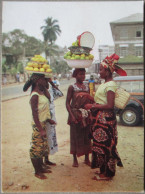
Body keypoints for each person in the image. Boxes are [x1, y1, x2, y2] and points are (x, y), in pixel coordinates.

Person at [85, 53, 126, 180]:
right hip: (100, 120)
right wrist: (89, 97)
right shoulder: (104, 84)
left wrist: (93, 107)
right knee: (100, 145)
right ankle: (103, 170)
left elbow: (109, 105)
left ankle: (107, 174)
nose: (99, 73)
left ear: (108, 71)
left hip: (105, 120)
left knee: (106, 146)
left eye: (101, 70)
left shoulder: (111, 85)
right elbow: (101, 101)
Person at [23, 73, 56, 179]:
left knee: (42, 147)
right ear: (38, 81)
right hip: (38, 125)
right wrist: (40, 129)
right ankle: (37, 171)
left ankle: (41, 168)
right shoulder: (34, 96)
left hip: (43, 123)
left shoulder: (41, 93)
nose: (46, 81)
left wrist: (49, 120)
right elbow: (35, 114)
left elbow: (47, 102)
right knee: (36, 149)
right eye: (43, 80)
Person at [66, 68, 94, 167]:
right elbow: (67, 103)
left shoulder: (87, 87)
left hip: (86, 114)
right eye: (80, 74)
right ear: (75, 75)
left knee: (87, 135)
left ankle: (86, 158)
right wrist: (72, 115)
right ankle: (75, 159)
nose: (83, 76)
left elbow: (90, 100)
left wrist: (90, 113)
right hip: (76, 114)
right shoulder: (72, 87)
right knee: (75, 136)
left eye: (84, 74)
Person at [44, 77, 63, 166]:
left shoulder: (50, 89)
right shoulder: (40, 91)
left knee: (50, 137)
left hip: (52, 115)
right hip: (45, 117)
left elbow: (59, 93)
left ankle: (46, 159)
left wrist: (52, 83)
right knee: (45, 138)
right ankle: (43, 160)